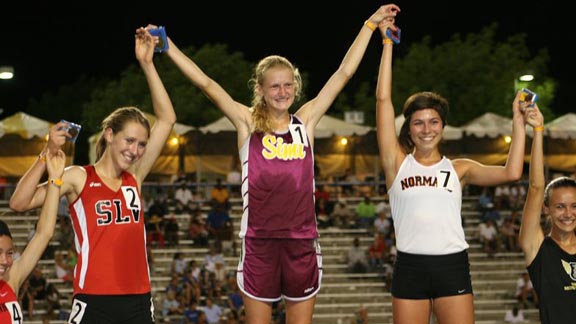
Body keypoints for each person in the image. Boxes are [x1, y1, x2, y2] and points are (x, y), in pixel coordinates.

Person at [158, 4, 400, 323]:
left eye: (288, 85)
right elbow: (205, 83)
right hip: (259, 243)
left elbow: (344, 73)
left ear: (295, 87)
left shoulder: (306, 122)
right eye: (274, 85)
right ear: (260, 89)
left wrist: (369, 25)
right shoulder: (247, 122)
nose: (282, 91)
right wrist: (167, 45)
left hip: (302, 242)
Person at [9, 26, 176, 324]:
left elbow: (167, 118)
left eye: (141, 144)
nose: (135, 150)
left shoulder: (134, 177)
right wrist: (44, 156)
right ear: (110, 135)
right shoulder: (77, 177)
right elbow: (19, 203)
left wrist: (148, 64)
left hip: (140, 299)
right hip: (94, 299)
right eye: (129, 141)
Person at [375, 19, 530, 324]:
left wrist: (518, 121)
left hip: (452, 267)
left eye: (433, 122)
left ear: (443, 128)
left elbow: (512, 172)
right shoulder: (397, 163)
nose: (426, 129)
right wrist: (387, 44)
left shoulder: (459, 169)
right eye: (418, 122)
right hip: (409, 268)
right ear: (409, 128)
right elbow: (382, 100)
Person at [519, 104, 576, 323]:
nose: (568, 213)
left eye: (574, 206)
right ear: (547, 208)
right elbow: (535, 187)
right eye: (560, 206)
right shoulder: (538, 249)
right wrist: (538, 131)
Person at [0, 148, 64, 323]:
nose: (5, 261)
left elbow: (44, 233)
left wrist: (55, 180)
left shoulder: (10, 279)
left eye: (9, 253)